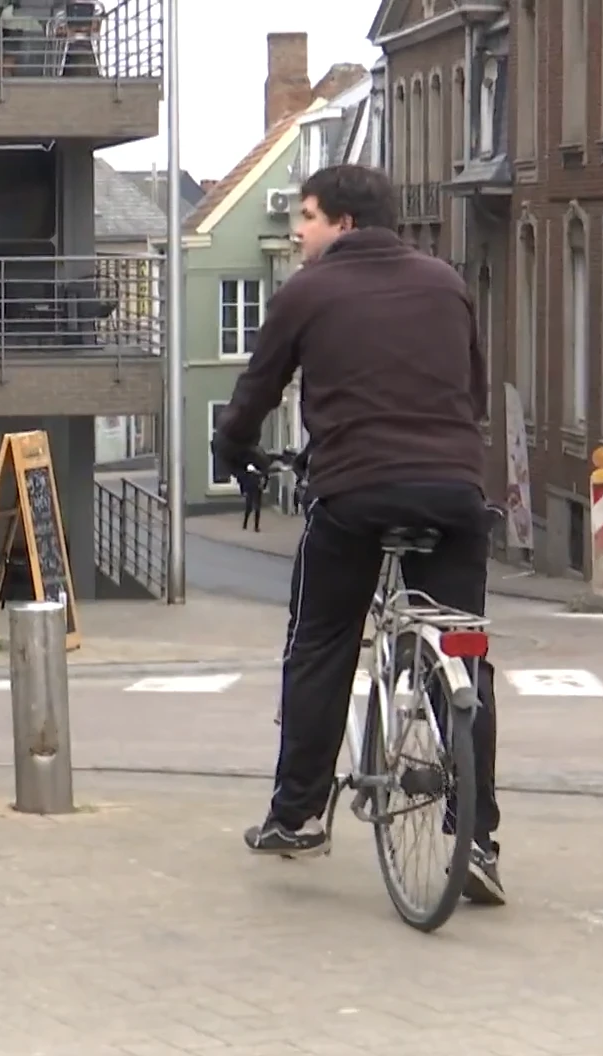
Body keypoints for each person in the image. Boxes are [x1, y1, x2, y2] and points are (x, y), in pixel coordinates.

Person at [211, 163, 505, 905]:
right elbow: (471, 391)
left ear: (343, 223)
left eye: (305, 217)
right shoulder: (445, 282)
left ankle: (299, 814)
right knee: (465, 645)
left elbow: (255, 392)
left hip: (353, 494)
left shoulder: (306, 292)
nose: (296, 231)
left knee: (319, 644)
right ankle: (477, 837)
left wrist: (234, 453)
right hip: (454, 493)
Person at [236, 462, 267, 531]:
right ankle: (245, 523)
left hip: (258, 490)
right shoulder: (247, 466)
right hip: (249, 489)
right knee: (249, 508)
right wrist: (243, 491)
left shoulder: (260, 466)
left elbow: (265, 476)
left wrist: (263, 485)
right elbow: (242, 479)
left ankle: (256, 526)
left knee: (257, 509)